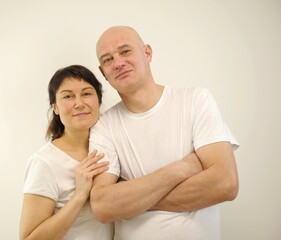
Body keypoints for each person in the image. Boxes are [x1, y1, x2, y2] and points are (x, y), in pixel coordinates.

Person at [89, 26, 239, 240]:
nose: (118, 63)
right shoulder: (103, 127)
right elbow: (104, 207)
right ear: (103, 72)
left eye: (125, 51)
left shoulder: (195, 100)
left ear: (147, 53)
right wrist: (182, 168)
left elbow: (225, 184)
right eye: (107, 59)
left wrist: (133, 200)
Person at [19, 65, 114, 240]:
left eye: (86, 94)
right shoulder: (45, 162)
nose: (79, 104)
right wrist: (79, 196)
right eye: (68, 96)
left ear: (99, 101)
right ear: (55, 108)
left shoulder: (112, 148)